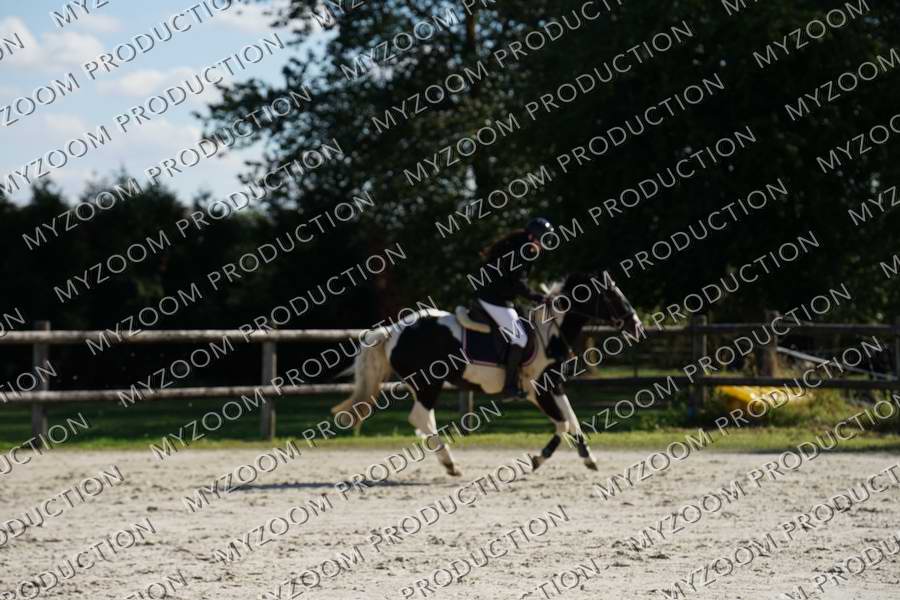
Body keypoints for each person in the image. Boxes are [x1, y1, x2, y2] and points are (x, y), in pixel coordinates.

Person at [474, 217, 555, 398]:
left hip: (502, 298)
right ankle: (509, 386)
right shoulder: (521, 251)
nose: (543, 246)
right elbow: (519, 284)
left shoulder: (522, 247)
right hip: (492, 299)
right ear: (532, 237)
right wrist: (537, 297)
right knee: (520, 338)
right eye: (542, 241)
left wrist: (533, 296)